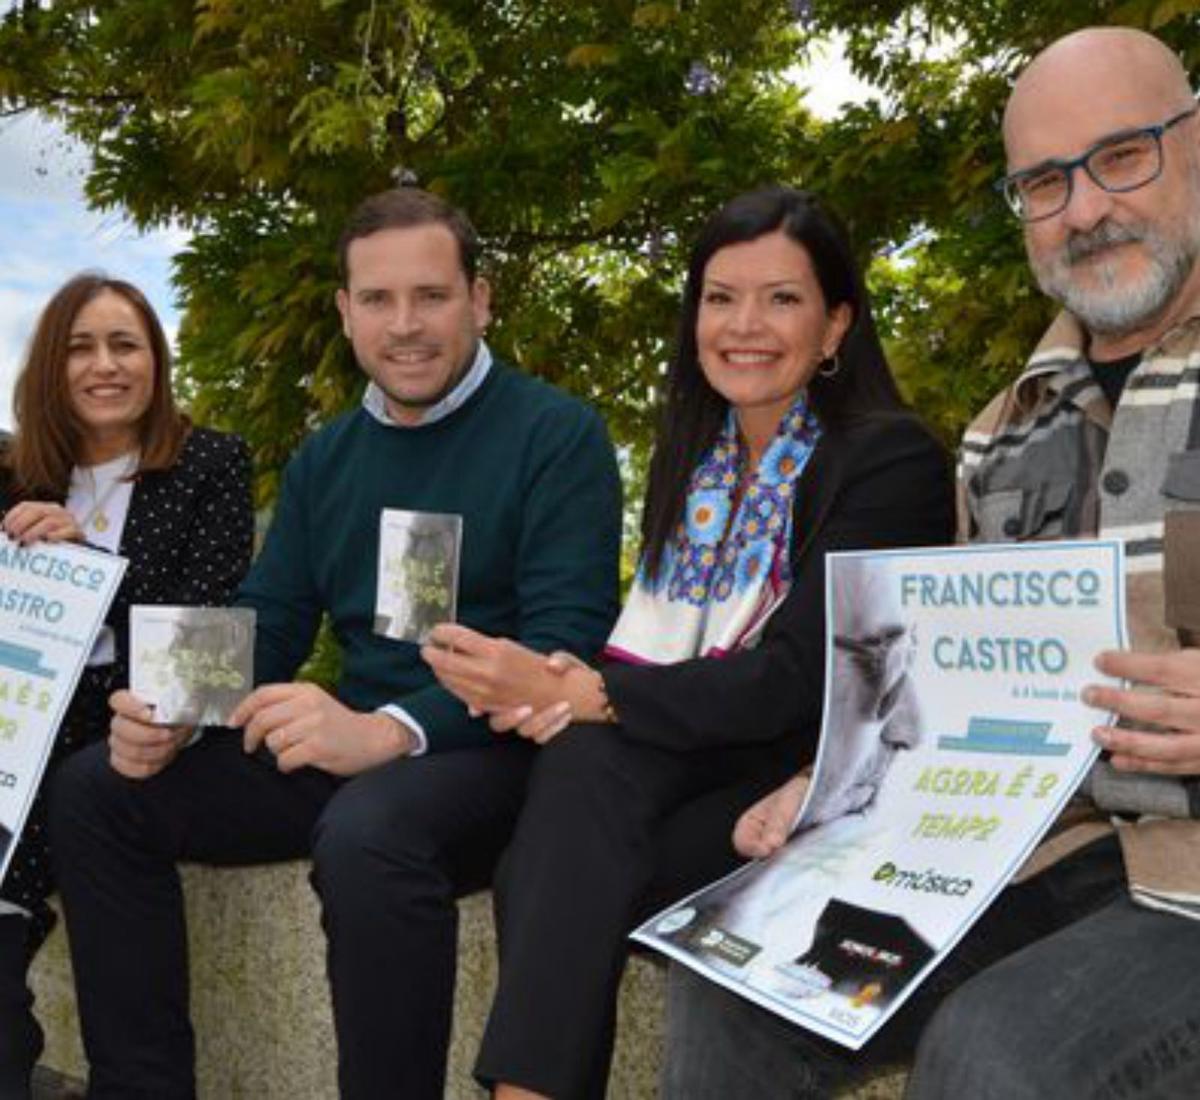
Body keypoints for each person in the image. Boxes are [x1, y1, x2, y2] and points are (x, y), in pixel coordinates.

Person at [662, 27, 1200, 1100]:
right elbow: (951, 686)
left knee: (996, 1053)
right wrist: (834, 777)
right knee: (732, 976)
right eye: (1045, 182)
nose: (1085, 207)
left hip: (1187, 884)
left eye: (1123, 155)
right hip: (1039, 847)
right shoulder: (1003, 430)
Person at [48, 189, 622, 1100]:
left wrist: (392, 729)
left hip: (499, 758)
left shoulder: (558, 435)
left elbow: (562, 649)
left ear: (481, 299)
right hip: (359, 750)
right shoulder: (328, 457)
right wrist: (169, 709)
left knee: (368, 833)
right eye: (379, 300)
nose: (406, 326)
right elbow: (270, 623)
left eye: (431, 296)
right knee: (96, 790)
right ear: (347, 313)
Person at [423, 185, 955, 1100]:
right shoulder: (696, 466)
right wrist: (568, 688)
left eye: (782, 299)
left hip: (811, 786)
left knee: (546, 861)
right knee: (572, 805)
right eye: (720, 297)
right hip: (698, 774)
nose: (745, 324)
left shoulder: (891, 461)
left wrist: (591, 694)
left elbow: (800, 682)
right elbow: (646, 670)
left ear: (835, 327)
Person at [0, 273, 254, 1098]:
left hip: (137, 732)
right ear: (49, 368)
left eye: (125, 344)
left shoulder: (210, 463)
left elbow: (207, 630)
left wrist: (91, 566)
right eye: (79, 347)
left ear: (156, 360)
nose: (103, 365)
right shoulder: (11, 474)